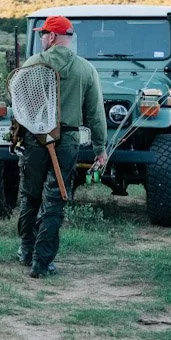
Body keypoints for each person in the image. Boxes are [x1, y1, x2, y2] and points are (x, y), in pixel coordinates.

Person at [15, 14, 105, 278]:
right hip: (67, 141)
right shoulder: (85, 69)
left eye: (44, 34)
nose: (42, 37)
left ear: (52, 37)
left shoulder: (32, 64)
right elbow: (96, 114)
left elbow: (20, 106)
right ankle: (42, 263)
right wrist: (100, 149)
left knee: (30, 196)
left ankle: (26, 250)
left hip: (35, 138)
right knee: (55, 199)